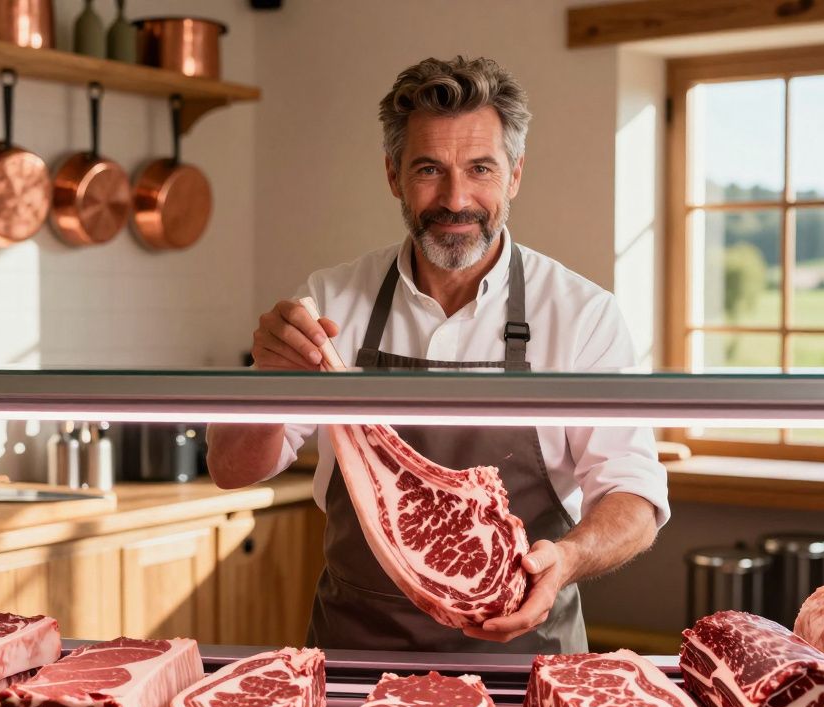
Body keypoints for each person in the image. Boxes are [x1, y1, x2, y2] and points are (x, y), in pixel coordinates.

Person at [207, 56, 667, 654]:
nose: (456, 199)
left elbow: (633, 494)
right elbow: (232, 468)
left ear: (515, 175)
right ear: (393, 175)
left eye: (481, 169)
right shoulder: (330, 300)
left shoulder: (583, 314)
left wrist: (568, 560)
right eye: (429, 169)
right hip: (357, 656)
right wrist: (269, 381)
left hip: (524, 657)